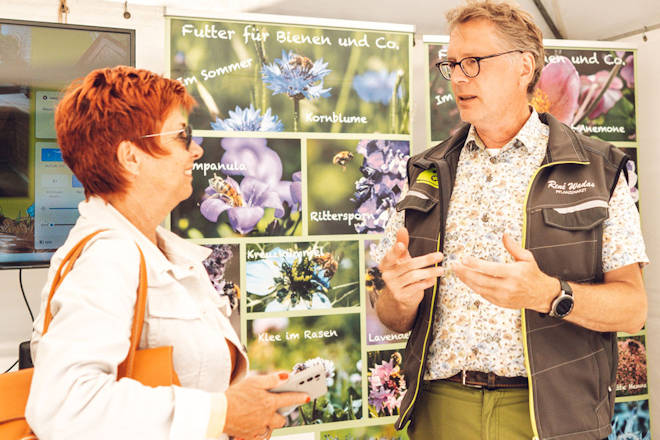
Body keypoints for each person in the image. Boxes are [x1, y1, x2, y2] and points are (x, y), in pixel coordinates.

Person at [374, 1, 648, 439]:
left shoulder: (598, 169)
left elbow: (633, 309)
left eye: (474, 62)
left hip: (551, 415)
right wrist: (399, 296)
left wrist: (548, 294)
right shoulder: (424, 171)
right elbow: (391, 314)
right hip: (442, 410)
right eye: (452, 64)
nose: (458, 77)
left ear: (525, 65)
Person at [25, 66, 308, 440]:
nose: (196, 149)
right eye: (182, 136)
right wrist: (223, 413)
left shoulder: (160, 252)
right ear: (131, 157)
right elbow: (66, 406)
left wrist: (244, 408)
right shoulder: (109, 257)